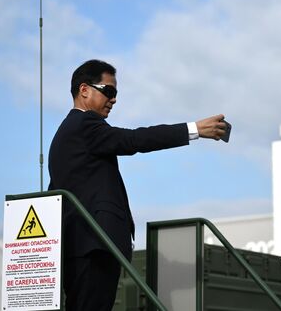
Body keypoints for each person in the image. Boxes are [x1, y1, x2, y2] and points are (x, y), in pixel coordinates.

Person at [48, 59, 227, 311]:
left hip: (80, 246)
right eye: (108, 91)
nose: (114, 100)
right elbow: (134, 139)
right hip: (94, 244)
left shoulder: (66, 133)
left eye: (115, 93)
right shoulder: (85, 124)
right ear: (84, 90)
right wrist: (194, 129)